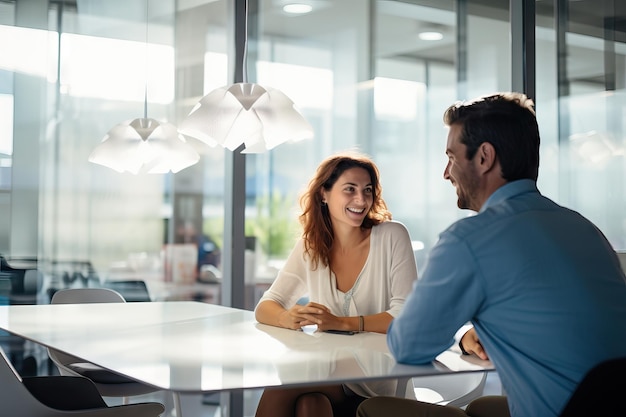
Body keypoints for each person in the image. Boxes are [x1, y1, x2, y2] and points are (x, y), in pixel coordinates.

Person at [356, 92, 626, 417]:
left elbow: (408, 346)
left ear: (484, 157)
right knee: (483, 407)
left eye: (452, 157)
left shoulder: (470, 240)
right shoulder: (585, 229)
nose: (446, 172)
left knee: (375, 409)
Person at [254, 152, 418, 417]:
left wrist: (341, 323)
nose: (361, 200)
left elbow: (407, 318)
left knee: (283, 389)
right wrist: (288, 317)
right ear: (324, 194)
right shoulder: (311, 247)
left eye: (367, 190)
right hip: (329, 373)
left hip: (380, 379)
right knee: (311, 404)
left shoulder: (392, 236)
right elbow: (265, 307)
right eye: (349, 190)